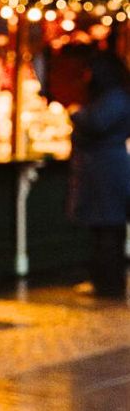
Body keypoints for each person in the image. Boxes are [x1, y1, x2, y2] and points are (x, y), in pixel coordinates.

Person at [68, 49, 130, 299]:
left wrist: (75, 113)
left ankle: (109, 283)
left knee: (108, 229)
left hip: (107, 171)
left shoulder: (113, 99)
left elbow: (95, 123)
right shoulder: (115, 97)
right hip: (105, 169)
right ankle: (106, 281)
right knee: (106, 229)